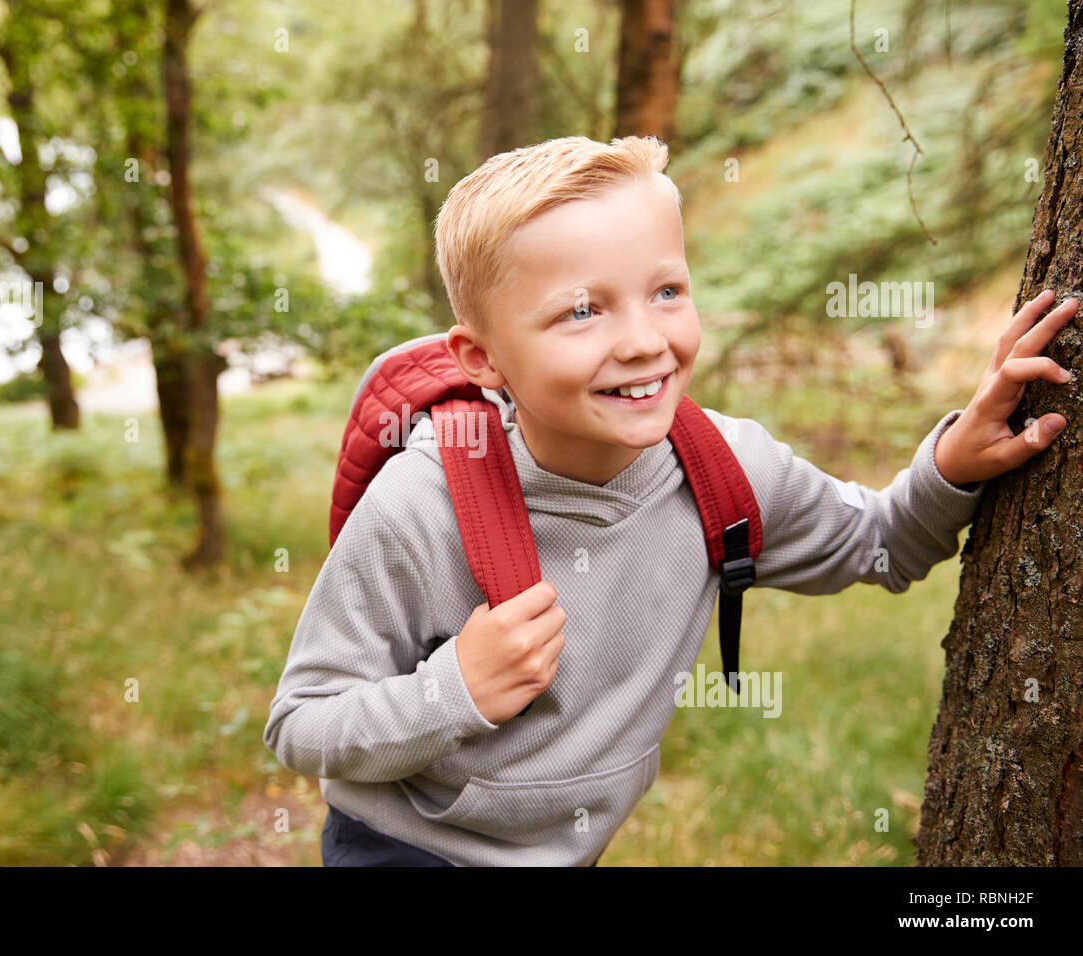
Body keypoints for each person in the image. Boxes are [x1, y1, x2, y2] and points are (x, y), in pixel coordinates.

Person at [263, 135, 1077, 867]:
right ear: (483, 357)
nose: (645, 340)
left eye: (666, 292)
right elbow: (300, 724)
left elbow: (883, 545)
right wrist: (456, 691)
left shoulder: (725, 468)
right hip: (407, 849)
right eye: (582, 310)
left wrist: (956, 461)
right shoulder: (424, 503)